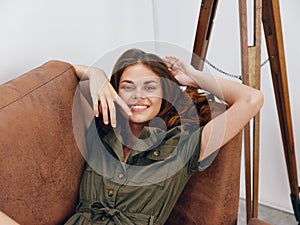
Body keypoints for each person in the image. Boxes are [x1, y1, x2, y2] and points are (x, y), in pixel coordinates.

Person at [65, 48, 263, 225]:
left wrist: (192, 77)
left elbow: (251, 99)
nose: (138, 95)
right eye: (128, 86)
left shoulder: (183, 146)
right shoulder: (100, 130)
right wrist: (96, 74)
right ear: (115, 91)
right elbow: (62, 71)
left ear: (165, 94)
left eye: (150, 87)